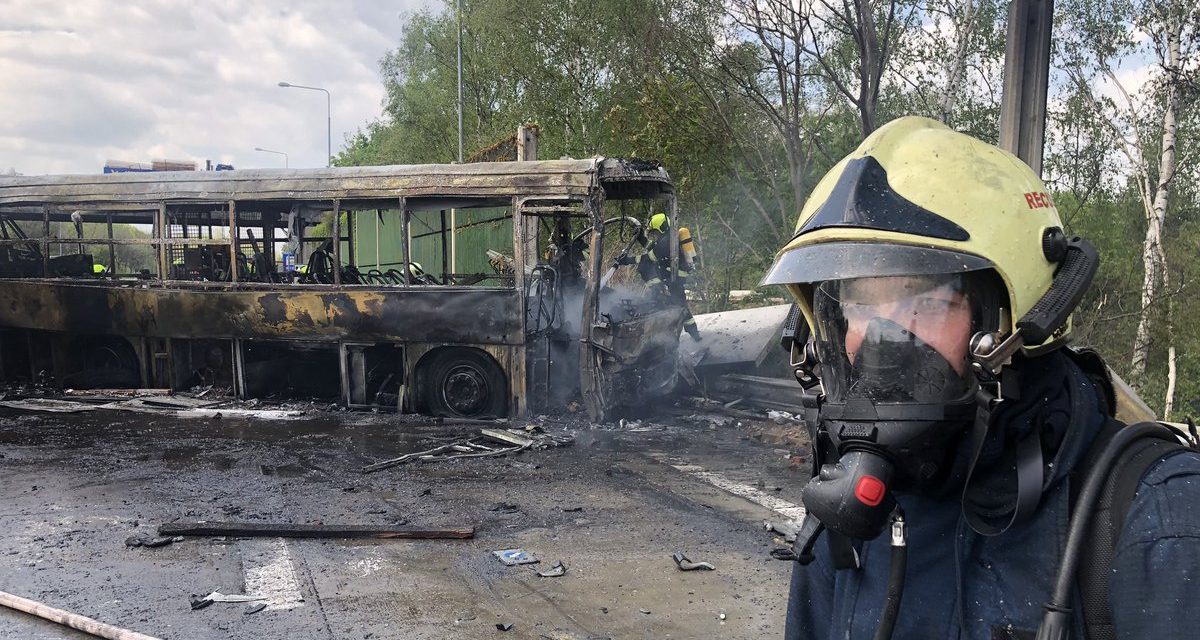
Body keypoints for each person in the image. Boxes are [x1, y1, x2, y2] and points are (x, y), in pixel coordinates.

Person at [761, 116, 1200, 639]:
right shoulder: (849, 515)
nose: (880, 338)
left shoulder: (1158, 521)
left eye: (924, 299)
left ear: (1016, 320)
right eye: (858, 302)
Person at [620, 212, 700, 341]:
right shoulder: (668, 239)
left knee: (680, 306)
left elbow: (649, 257)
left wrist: (627, 260)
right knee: (678, 305)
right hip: (673, 276)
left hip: (674, 279)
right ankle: (693, 336)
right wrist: (640, 237)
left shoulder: (667, 241)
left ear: (660, 228)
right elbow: (653, 247)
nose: (655, 235)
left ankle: (694, 337)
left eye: (655, 232)